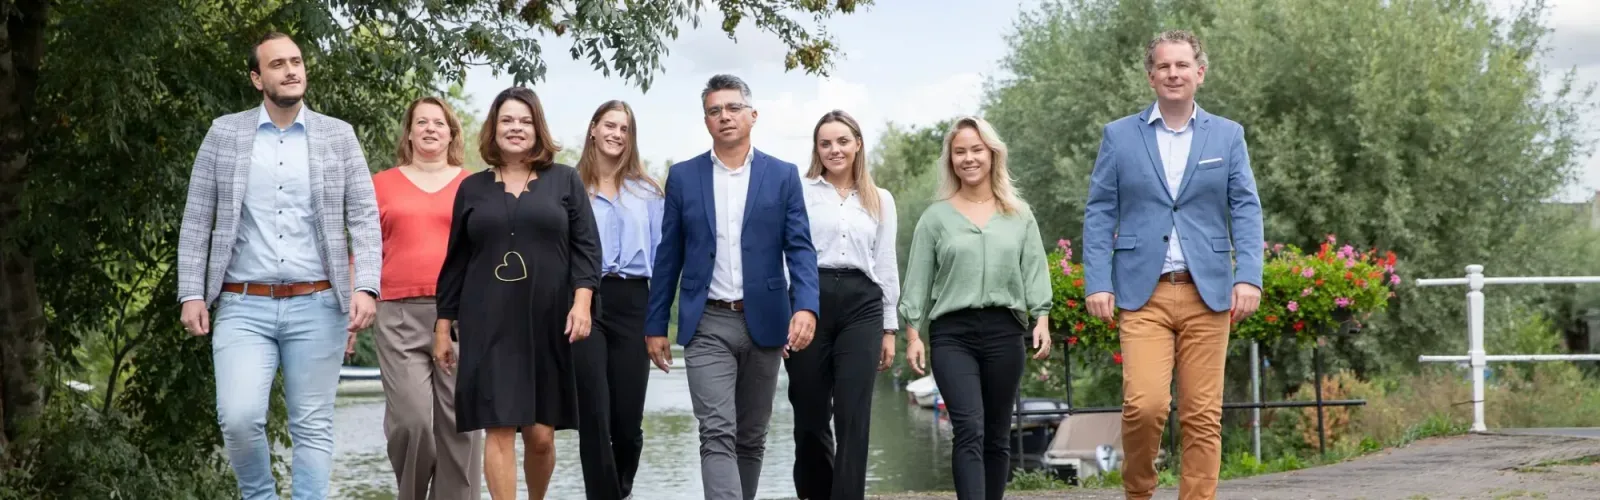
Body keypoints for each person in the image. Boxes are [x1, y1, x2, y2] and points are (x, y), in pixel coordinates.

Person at [176, 31, 380, 500]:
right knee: (240, 416)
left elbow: (365, 219)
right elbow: (196, 218)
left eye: (296, 61)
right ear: (256, 78)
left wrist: (365, 286)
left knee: (312, 423)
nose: (291, 70)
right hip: (242, 303)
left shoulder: (338, 135)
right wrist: (191, 292)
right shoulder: (223, 134)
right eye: (277, 64)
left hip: (318, 303)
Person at [1081, 30, 1263, 500]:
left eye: (1182, 65)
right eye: (1163, 66)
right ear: (1151, 76)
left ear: (1200, 73)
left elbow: (1245, 207)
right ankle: (1139, 491)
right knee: (1144, 406)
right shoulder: (1119, 136)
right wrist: (1097, 281)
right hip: (1144, 292)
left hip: (1210, 291)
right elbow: (1100, 210)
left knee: (1203, 414)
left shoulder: (1227, 135)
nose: (1173, 73)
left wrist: (1249, 276)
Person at [644, 74, 820, 500]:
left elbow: (800, 248)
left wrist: (807, 306)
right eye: (714, 110)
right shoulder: (684, 177)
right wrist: (655, 325)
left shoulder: (782, 175)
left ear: (752, 114)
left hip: (767, 321)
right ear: (706, 121)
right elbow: (669, 257)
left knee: (752, 436)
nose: (724, 116)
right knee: (716, 431)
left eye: (733, 108)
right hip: (706, 322)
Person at [432, 86, 602, 500]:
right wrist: (442, 327)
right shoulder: (471, 188)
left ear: (537, 128)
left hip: (548, 321)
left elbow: (587, 249)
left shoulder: (565, 180)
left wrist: (582, 303)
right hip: (488, 321)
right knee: (500, 424)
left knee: (541, 434)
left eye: (525, 121)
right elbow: (455, 262)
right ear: (494, 128)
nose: (516, 128)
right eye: (507, 120)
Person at [898, 116, 1053, 500]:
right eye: (960, 152)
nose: (969, 158)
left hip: (1005, 331)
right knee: (969, 428)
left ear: (992, 154)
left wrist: (1042, 317)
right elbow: (917, 279)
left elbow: (1034, 269)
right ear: (951, 160)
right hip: (953, 335)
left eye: (976, 150)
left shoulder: (1018, 214)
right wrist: (913, 335)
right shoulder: (936, 217)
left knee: (998, 434)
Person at [371, 96, 482, 500]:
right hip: (398, 313)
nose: (430, 129)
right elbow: (365, 248)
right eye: (422, 122)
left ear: (452, 132)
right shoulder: (381, 183)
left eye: (439, 122)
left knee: (461, 427)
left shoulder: (474, 185)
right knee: (413, 423)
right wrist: (355, 297)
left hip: (460, 316)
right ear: (410, 131)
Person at [787, 110, 899, 500]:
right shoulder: (799, 192)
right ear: (817, 149)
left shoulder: (879, 199)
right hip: (808, 299)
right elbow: (784, 253)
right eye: (825, 143)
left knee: (854, 413)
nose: (834, 149)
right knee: (810, 411)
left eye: (842, 141)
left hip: (862, 304)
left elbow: (885, 264)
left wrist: (889, 328)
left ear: (857, 144)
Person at [572, 100, 662, 500]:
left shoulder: (649, 191)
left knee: (627, 421)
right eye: (610, 125)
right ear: (593, 129)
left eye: (624, 129)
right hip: (583, 300)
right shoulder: (569, 186)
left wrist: (658, 321)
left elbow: (662, 259)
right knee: (594, 414)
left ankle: (620, 490)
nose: (616, 134)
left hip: (634, 301)